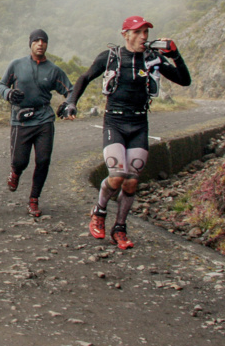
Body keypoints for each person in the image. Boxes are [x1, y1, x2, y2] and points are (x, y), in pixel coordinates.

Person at [62, 15, 191, 249]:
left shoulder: (154, 59)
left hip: (139, 123)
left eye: (146, 32)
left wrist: (175, 56)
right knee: (117, 176)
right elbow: (84, 77)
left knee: (131, 183)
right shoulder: (110, 57)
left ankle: (120, 229)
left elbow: (185, 81)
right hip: (115, 122)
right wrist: (72, 102)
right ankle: (99, 211)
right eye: (139, 32)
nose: (144, 37)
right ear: (126, 34)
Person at [0, 29, 72, 218]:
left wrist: (68, 104)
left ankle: (34, 199)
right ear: (30, 43)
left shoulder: (53, 70)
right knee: (20, 161)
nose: (40, 43)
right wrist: (9, 94)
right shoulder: (16, 65)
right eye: (36, 40)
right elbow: (1, 85)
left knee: (43, 160)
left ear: (47, 44)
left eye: (43, 41)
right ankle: (15, 173)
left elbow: (70, 90)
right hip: (20, 120)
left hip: (44, 118)